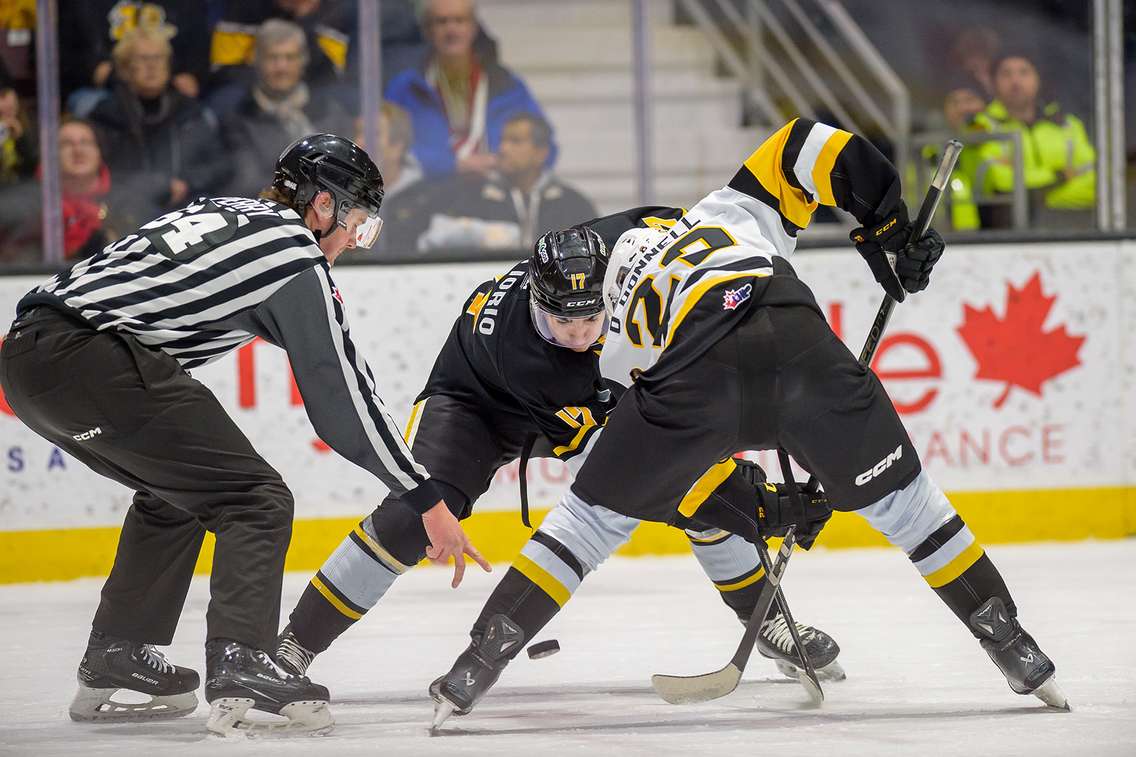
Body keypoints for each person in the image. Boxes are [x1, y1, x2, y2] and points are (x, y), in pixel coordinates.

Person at [430, 117, 1068, 727]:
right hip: (797, 338)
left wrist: (759, 506)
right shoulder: (723, 213)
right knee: (912, 509)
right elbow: (811, 143)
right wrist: (887, 227)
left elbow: (679, 469)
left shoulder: (616, 327)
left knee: (589, 523)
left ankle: (477, 662)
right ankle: (1015, 646)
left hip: (693, 375)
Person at [0, 134, 488, 736]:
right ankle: (243, 657)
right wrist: (426, 498)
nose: (352, 245)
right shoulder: (292, 256)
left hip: (29, 357)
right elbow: (343, 402)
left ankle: (117, 653)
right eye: (357, 226)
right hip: (89, 358)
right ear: (323, 206)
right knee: (257, 498)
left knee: (178, 490)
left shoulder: (228, 216)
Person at [271, 218, 840, 701]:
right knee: (411, 515)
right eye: (562, 322)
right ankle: (295, 644)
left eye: (590, 321)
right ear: (537, 300)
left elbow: (685, 221)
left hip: (579, 398)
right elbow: (635, 470)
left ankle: (766, 620)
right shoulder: (533, 358)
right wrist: (754, 504)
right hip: (474, 405)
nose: (577, 334)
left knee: (702, 491)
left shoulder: (623, 253)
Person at [385, 0, 554, 178]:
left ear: (473, 28)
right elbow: (386, 149)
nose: (451, 30)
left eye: (460, 21)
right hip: (428, 193)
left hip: (499, 191)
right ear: (428, 31)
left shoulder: (507, 85)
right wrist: (450, 165)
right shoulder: (405, 88)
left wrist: (507, 162)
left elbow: (546, 146)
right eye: (442, 22)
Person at [87, 26, 232, 230]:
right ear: (124, 69)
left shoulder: (190, 112)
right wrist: (157, 185)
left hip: (187, 207)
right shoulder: (106, 116)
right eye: (142, 59)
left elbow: (219, 165)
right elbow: (104, 174)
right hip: (129, 212)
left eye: (158, 58)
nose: (152, 66)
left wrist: (187, 183)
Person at [415, 113, 597, 252]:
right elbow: (433, 241)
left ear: (541, 153)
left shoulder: (573, 204)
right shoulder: (473, 199)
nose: (503, 148)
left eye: (515, 141)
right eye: (502, 140)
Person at [222, 19, 353, 197]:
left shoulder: (330, 111)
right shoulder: (239, 119)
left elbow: (348, 170)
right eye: (273, 58)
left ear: (303, 61)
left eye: (290, 57)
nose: (281, 67)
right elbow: (248, 182)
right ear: (256, 60)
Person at [973, 51, 1096, 228]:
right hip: (1006, 232)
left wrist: (1036, 198)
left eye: (1024, 72)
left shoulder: (1067, 124)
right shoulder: (981, 127)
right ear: (993, 83)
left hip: (1073, 229)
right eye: (1006, 74)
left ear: (1038, 79)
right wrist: (1060, 177)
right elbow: (1000, 180)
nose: (1015, 81)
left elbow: (1095, 182)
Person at [0, 119, 124, 263]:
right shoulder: (26, 203)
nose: (78, 150)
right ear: (50, 155)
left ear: (99, 153)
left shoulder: (123, 202)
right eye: (66, 144)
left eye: (86, 142)